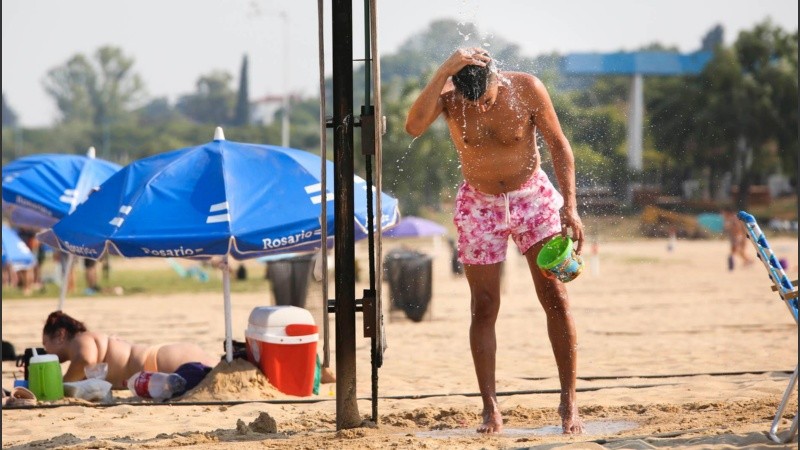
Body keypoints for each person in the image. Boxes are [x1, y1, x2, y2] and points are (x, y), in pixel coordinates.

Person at [405, 48, 584, 434]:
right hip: (479, 204)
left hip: (532, 197)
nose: (480, 109)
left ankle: (569, 403)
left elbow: (558, 145)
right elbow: (413, 126)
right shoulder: (450, 94)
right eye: (473, 103)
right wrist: (445, 68)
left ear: (495, 79)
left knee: (554, 295)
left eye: (485, 99)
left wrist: (570, 206)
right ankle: (490, 408)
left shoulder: (527, 89)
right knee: (483, 306)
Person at [42, 311, 220, 390]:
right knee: (217, 370)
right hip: (161, 358)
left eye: (45, 344)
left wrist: (60, 386)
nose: (45, 350)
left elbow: (86, 360)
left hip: (157, 362)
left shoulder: (81, 339)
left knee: (215, 371)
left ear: (60, 335)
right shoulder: (88, 340)